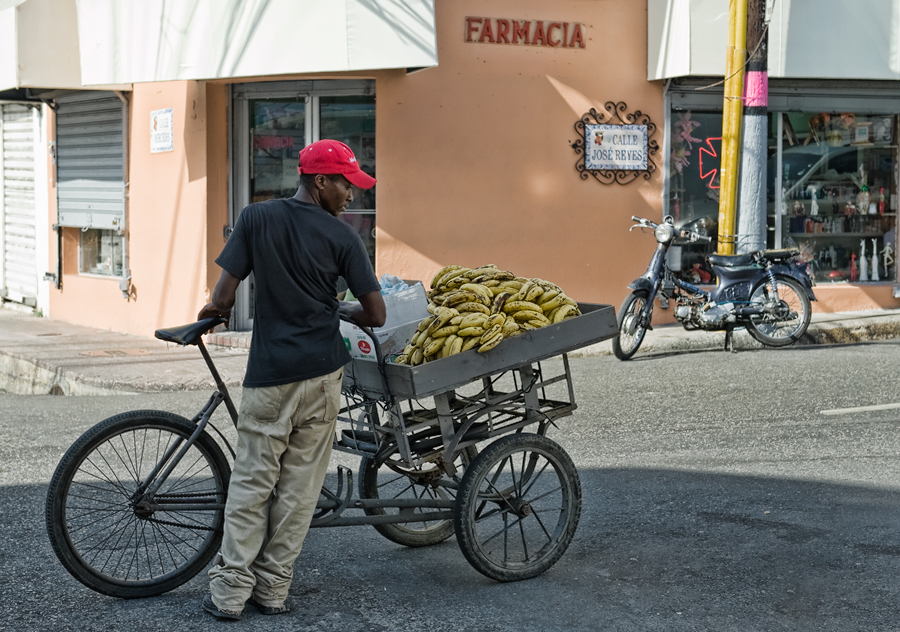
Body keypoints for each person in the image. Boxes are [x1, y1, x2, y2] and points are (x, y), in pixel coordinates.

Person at [198, 139, 386, 620]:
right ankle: (272, 590)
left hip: (269, 376)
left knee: (251, 484)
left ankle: (229, 593)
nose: (351, 194)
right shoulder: (344, 238)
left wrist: (212, 311)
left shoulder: (255, 218)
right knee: (300, 489)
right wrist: (340, 308)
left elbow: (224, 295)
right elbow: (376, 314)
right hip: (321, 377)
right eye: (345, 184)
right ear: (320, 181)